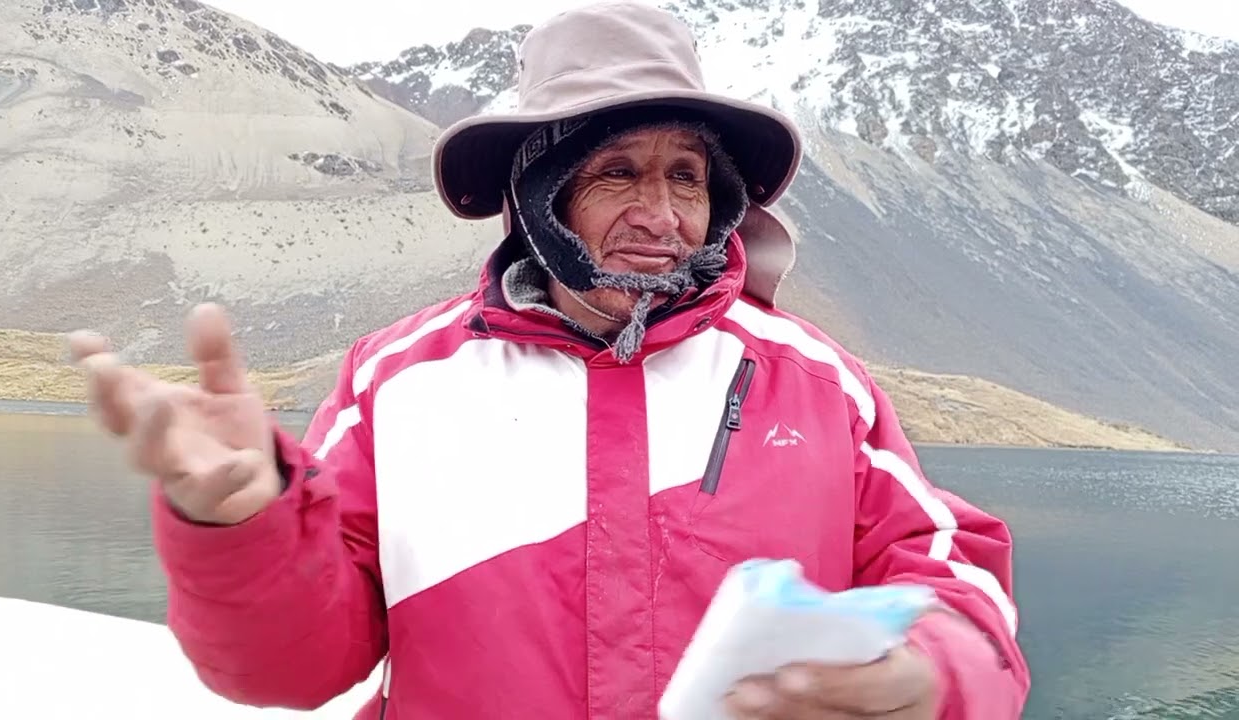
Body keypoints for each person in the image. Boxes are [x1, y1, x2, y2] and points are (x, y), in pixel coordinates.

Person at [69, 2, 1030, 718]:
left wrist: (935, 676)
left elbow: (949, 571)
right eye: (618, 172)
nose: (662, 216)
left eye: (686, 177)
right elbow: (293, 669)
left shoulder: (820, 384)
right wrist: (239, 523)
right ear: (538, 194)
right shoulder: (396, 382)